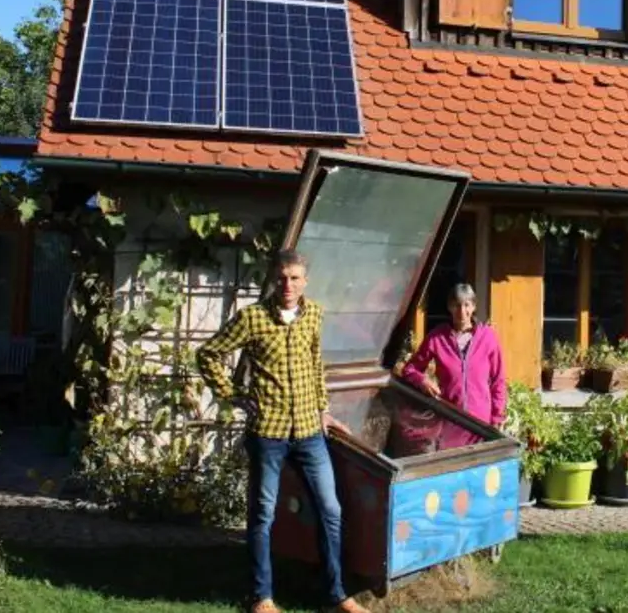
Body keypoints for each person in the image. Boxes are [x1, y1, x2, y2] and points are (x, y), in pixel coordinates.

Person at [196, 250, 367, 613]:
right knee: (263, 514)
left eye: (294, 277)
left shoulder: (315, 315)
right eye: (282, 278)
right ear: (274, 280)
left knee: (330, 510)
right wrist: (234, 396)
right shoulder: (253, 319)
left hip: (309, 431)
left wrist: (323, 410)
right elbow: (208, 353)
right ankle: (262, 597)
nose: (287, 285)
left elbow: (316, 364)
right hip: (268, 433)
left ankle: (337, 596)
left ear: (305, 280)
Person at [399, 284, 508, 448]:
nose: (462, 311)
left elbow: (498, 380)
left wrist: (497, 418)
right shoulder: (437, 337)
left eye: (467, 305)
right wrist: (423, 381)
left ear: (474, 306)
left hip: (480, 425)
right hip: (450, 421)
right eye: (457, 305)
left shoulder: (488, 338)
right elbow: (409, 369)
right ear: (450, 307)